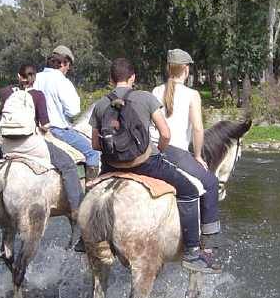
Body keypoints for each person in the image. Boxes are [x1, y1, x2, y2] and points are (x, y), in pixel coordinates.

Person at [88, 57, 223, 273]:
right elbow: (166, 134)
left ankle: (83, 240)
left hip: (111, 165)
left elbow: (95, 144)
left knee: (93, 193)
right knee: (189, 190)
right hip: (143, 164)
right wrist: (158, 150)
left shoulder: (100, 104)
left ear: (110, 79)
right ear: (133, 77)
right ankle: (191, 252)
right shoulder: (145, 98)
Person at [0, 64, 83, 216]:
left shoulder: (6, 93)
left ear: (18, 76)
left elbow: (0, 122)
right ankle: (76, 208)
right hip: (32, 144)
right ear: (34, 78)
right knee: (68, 164)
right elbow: (45, 125)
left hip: (8, 146)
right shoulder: (37, 95)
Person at [152, 49, 221, 236]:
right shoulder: (192, 94)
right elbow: (198, 128)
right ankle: (209, 240)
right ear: (186, 69)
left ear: (168, 68)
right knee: (211, 183)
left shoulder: (156, 91)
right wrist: (198, 156)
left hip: (154, 149)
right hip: (175, 152)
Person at [33, 45, 101, 179]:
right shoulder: (62, 81)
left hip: (35, 130)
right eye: (68, 65)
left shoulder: (35, 78)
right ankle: (90, 190)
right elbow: (73, 111)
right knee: (93, 152)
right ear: (63, 63)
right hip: (57, 130)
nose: (68, 69)